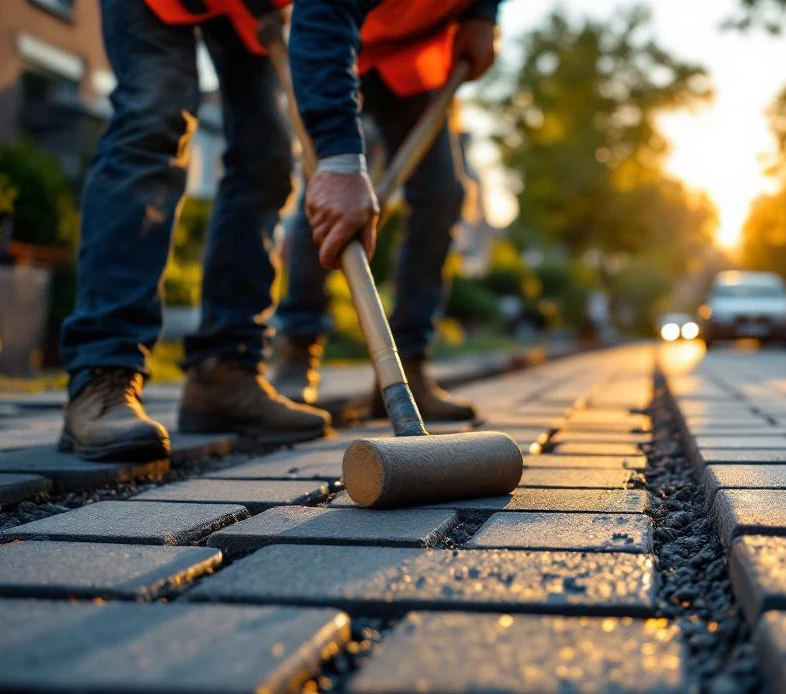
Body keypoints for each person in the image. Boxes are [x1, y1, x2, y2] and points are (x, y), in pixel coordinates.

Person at [59, 0, 331, 462]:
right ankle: (104, 372)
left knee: (267, 156)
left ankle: (225, 372)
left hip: (246, 13)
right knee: (155, 114)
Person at [270, 0, 501, 421]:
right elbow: (322, 15)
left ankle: (407, 367)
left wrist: (482, 15)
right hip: (332, 45)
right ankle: (297, 352)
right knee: (325, 194)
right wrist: (339, 165)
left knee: (441, 194)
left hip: (408, 64)